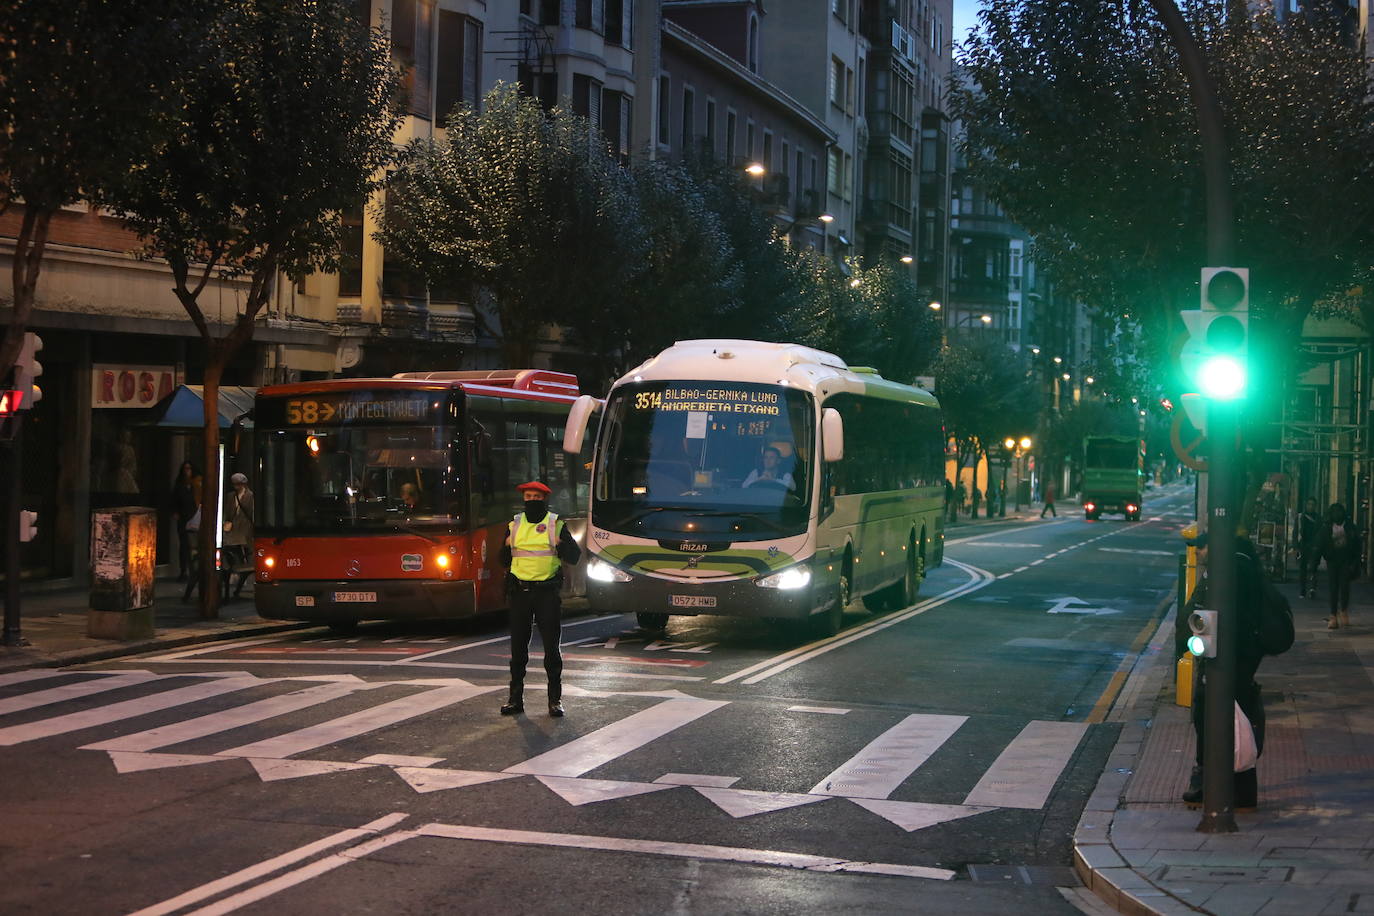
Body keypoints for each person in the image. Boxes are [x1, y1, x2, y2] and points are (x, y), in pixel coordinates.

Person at [1176, 531, 1267, 809]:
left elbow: (1202, 611)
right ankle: (1239, 786)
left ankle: (1208, 780)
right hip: (1238, 653)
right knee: (1233, 713)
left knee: (1209, 711)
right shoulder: (1243, 563)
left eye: (1201, 548)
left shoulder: (1227, 569)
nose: (1198, 554)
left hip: (1227, 656)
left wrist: (1185, 641)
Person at [499, 480, 581, 717]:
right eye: (528, 497)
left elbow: (575, 557)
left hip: (546, 593)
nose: (532, 500)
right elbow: (503, 561)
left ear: (544, 499)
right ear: (523, 499)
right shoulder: (514, 525)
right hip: (520, 593)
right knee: (518, 651)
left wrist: (561, 544)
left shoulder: (556, 524)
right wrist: (505, 547)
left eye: (536, 497)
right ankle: (515, 700)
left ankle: (555, 701)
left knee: (551, 650)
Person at [1314, 502, 1361, 629]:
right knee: (1333, 588)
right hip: (1332, 561)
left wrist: (1355, 562)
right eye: (1334, 512)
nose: (1337, 514)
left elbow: (1357, 544)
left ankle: (1344, 611)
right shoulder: (1326, 527)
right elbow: (1320, 544)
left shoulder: (1350, 527)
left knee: (1344, 587)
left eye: (1339, 512)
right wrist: (1316, 562)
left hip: (1346, 560)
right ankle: (1333, 615)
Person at [222, 472, 255, 600]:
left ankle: (240, 574)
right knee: (233, 547)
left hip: (245, 526)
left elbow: (251, 512)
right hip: (233, 526)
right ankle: (236, 571)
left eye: (239, 483)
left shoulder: (250, 496)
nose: (237, 486)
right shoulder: (230, 496)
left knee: (245, 548)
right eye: (235, 484)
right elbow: (227, 511)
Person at [170, 462, 201, 582]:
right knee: (184, 545)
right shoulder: (179, 486)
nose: (187, 471)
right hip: (184, 518)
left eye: (189, 469)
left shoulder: (196, 485)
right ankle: (184, 570)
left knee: (195, 545)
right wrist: (175, 512)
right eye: (185, 469)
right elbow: (174, 500)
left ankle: (194, 570)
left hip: (195, 517)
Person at [1293, 497, 1322, 599]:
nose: (1311, 506)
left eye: (1313, 504)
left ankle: (1312, 588)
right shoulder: (1300, 517)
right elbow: (1295, 532)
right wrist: (1295, 546)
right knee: (1303, 569)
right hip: (1303, 545)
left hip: (1314, 546)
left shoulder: (1318, 518)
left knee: (1313, 568)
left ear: (1315, 506)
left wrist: (1319, 546)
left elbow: (1320, 533)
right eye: (1309, 504)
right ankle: (1302, 589)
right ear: (1306, 505)